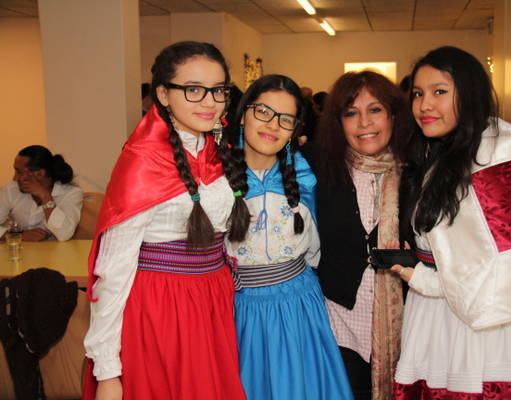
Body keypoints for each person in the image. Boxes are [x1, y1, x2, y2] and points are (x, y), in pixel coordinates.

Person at [391, 46, 511, 399]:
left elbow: (498, 272)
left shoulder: (492, 164)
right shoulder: (441, 153)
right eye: (419, 94)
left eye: (440, 91)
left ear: (469, 94)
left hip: (481, 324)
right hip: (436, 311)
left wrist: (421, 278)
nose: (425, 105)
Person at [83, 41, 246, 400]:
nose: (210, 102)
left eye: (219, 90)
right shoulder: (143, 160)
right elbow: (114, 270)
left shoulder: (216, 151)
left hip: (212, 299)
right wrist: (107, 370)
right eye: (193, 89)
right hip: (163, 304)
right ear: (163, 94)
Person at [221, 74, 353, 400]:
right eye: (263, 111)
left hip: (298, 307)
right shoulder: (214, 178)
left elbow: (316, 247)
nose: (273, 125)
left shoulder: (306, 177)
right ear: (243, 114)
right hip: (239, 309)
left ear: (295, 130)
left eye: (286, 119)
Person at [309, 70, 406, 400]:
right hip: (340, 318)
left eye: (375, 109)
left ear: (393, 115)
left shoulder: (418, 172)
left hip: (405, 319)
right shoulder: (319, 169)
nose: (364, 123)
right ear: (339, 123)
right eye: (351, 113)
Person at [0, 145, 83, 241]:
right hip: (19, 249)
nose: (15, 178)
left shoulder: (71, 193)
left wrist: (45, 197)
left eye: (19, 172)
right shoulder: (11, 189)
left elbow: (65, 234)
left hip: (56, 250)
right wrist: (18, 235)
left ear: (39, 173)